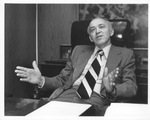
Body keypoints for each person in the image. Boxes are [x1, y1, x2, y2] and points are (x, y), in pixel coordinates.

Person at [15, 17, 137, 106]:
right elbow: (62, 79)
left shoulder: (126, 54)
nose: (97, 31)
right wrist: (41, 80)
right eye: (93, 29)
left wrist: (112, 89)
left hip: (96, 98)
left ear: (111, 31)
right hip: (66, 95)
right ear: (90, 37)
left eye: (101, 27)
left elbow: (131, 87)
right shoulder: (79, 50)